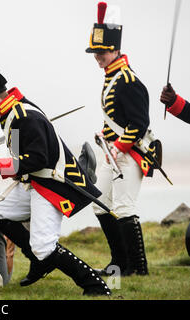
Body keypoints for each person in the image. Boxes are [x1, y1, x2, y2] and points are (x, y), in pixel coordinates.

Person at [0, 58, 111, 296]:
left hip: (51, 184)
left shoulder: (25, 116)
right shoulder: (10, 114)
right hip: (34, 182)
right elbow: (21, 156)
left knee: (44, 247)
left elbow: (37, 159)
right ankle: (39, 262)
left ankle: (95, 286)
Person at [86, 2, 155, 277]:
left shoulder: (128, 79)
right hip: (112, 153)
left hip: (129, 153)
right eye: (96, 52)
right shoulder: (111, 77)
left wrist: (119, 147)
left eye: (102, 52)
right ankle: (119, 264)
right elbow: (115, 118)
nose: (98, 57)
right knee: (100, 203)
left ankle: (138, 268)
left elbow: (139, 124)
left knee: (125, 208)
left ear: (115, 50)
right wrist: (107, 139)